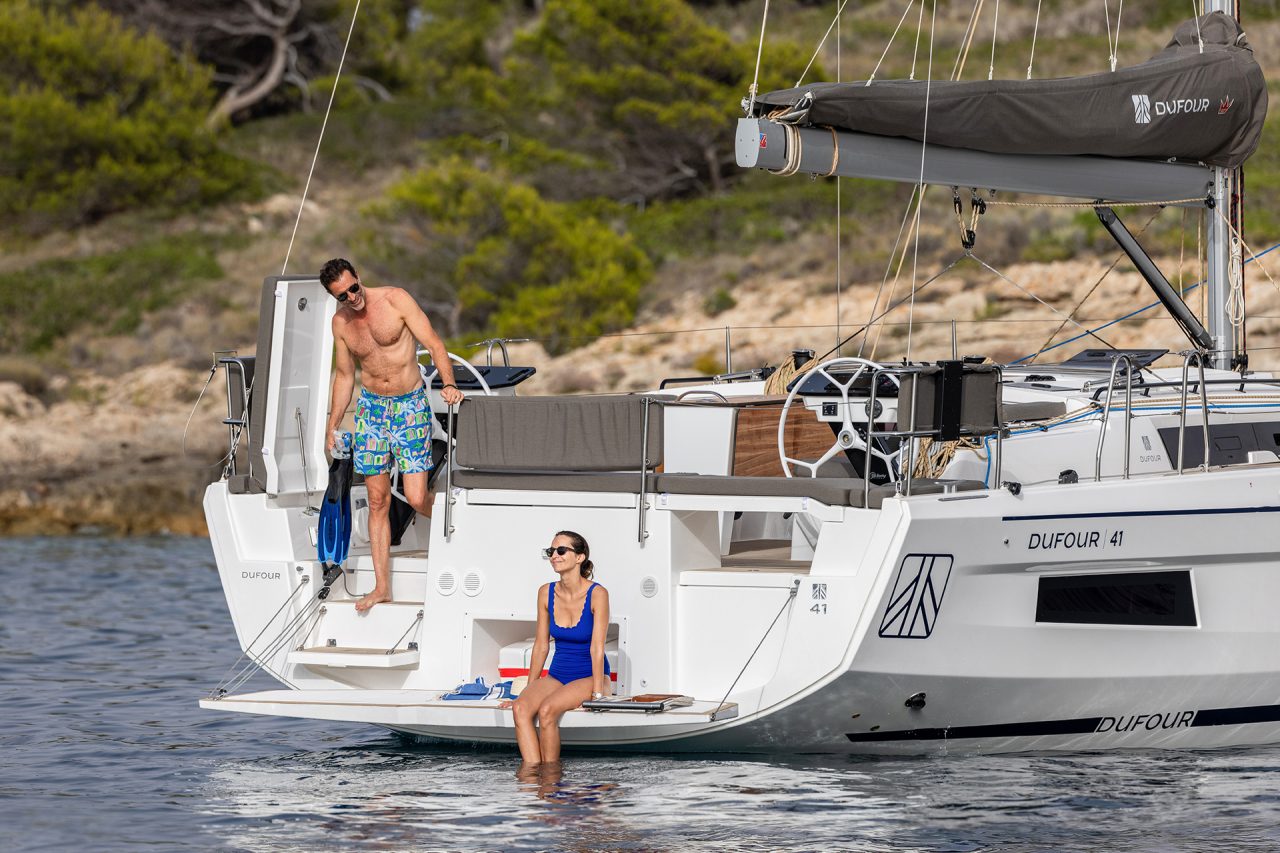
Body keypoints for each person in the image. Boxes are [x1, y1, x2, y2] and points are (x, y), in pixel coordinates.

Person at [320, 258, 464, 612]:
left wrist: (449, 384)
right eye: (342, 295)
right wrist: (332, 424)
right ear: (334, 296)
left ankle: (463, 531)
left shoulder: (396, 299)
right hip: (371, 411)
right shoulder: (341, 323)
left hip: (410, 406)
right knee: (378, 500)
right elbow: (344, 376)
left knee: (416, 497)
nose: (352, 297)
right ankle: (382, 586)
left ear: (359, 278)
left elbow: (433, 342)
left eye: (354, 288)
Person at [503, 531, 611, 766]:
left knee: (547, 710)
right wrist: (529, 690)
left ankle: (551, 779)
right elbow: (541, 645)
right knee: (521, 708)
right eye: (551, 551)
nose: (554, 556)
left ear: (580, 557)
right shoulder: (545, 592)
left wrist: (598, 695)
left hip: (590, 675)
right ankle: (532, 776)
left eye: (561, 551)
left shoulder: (598, 594)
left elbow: (597, 647)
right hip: (558, 674)